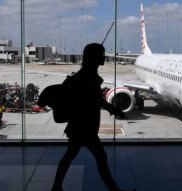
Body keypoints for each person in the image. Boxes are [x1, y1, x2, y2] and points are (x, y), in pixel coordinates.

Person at [51, 43, 136, 191]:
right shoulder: (88, 77)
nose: (104, 56)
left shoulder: (84, 75)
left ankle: (56, 187)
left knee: (71, 156)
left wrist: (111, 108)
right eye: (102, 54)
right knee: (99, 157)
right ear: (95, 57)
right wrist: (113, 109)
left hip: (80, 125)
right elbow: (94, 100)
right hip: (84, 127)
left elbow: (94, 99)